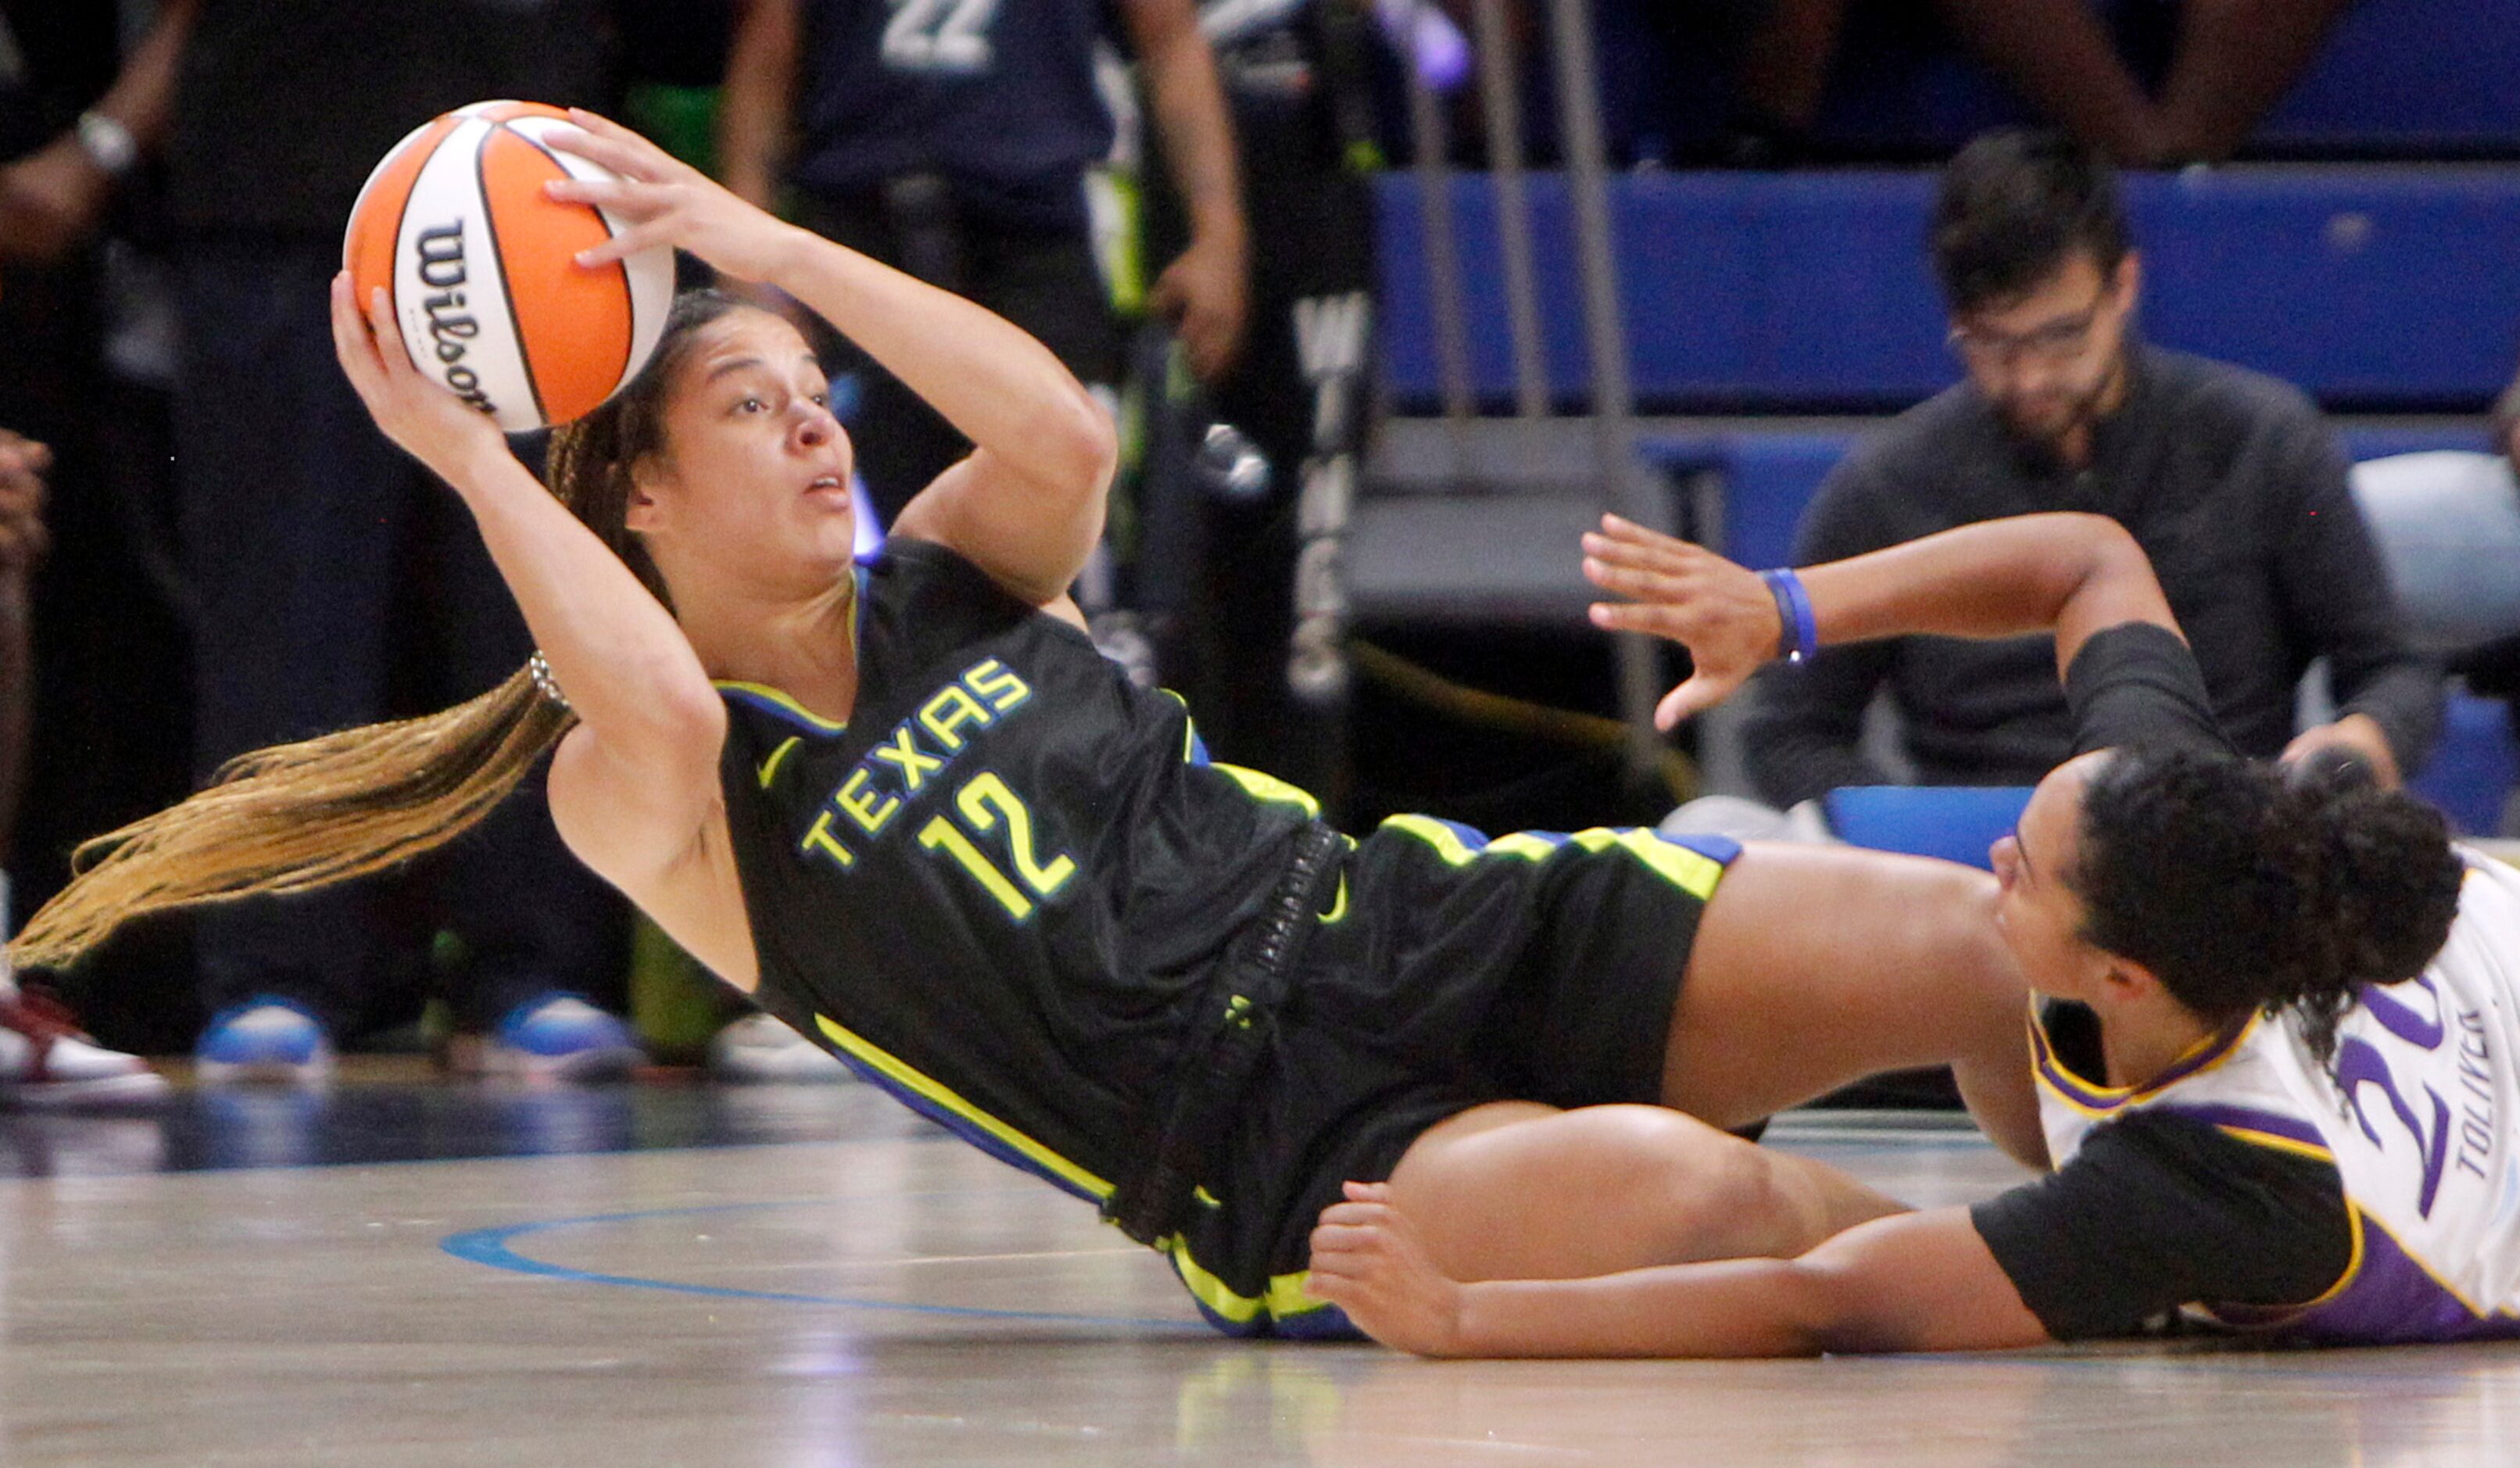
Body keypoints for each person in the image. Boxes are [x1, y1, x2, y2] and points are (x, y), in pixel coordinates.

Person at [11, 112, 2046, 1336]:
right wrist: (466, 452)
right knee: (1708, 1211)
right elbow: (635, 674)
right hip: (1280, 1148)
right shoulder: (655, 789)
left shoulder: (961, 573)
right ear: (632, 492)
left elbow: (1061, 422)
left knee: (1985, 941)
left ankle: (2157, 1206)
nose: (815, 420)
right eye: (750, 404)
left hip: (1408, 921)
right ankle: (2055, 1285)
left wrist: (759, 248)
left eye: (812, 389)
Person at [1308, 508, 2512, 1356]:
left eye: (2028, 872)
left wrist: (1465, 1317)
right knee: (1975, 964)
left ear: (2123, 975)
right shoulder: (2179, 820)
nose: (1996, 856)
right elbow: (2089, 557)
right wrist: (1779, 607)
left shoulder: (2224, 1172)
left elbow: (1823, 1305)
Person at [163, 0, 638, 1082]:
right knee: (285, 616)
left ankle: (531, 969)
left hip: (528, 202)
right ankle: (272, 971)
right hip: (284, 183)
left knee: (535, 606)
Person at [1742, 127, 2438, 811]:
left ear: (2124, 286)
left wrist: (2356, 745)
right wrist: (1897, 830)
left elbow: (2391, 669)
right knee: (1710, 825)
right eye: (1992, 344)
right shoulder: (1889, 484)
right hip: (1977, 865)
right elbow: (1789, 728)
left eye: (2063, 335)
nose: (2031, 376)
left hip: (2219, 838)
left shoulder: (2261, 439)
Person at [718, 0, 1248, 525]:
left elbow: (1171, 39)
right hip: (859, 231)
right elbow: (766, 53)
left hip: (1036, 233)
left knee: (1057, 503)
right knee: (858, 515)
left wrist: (1219, 235)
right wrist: (745, 268)